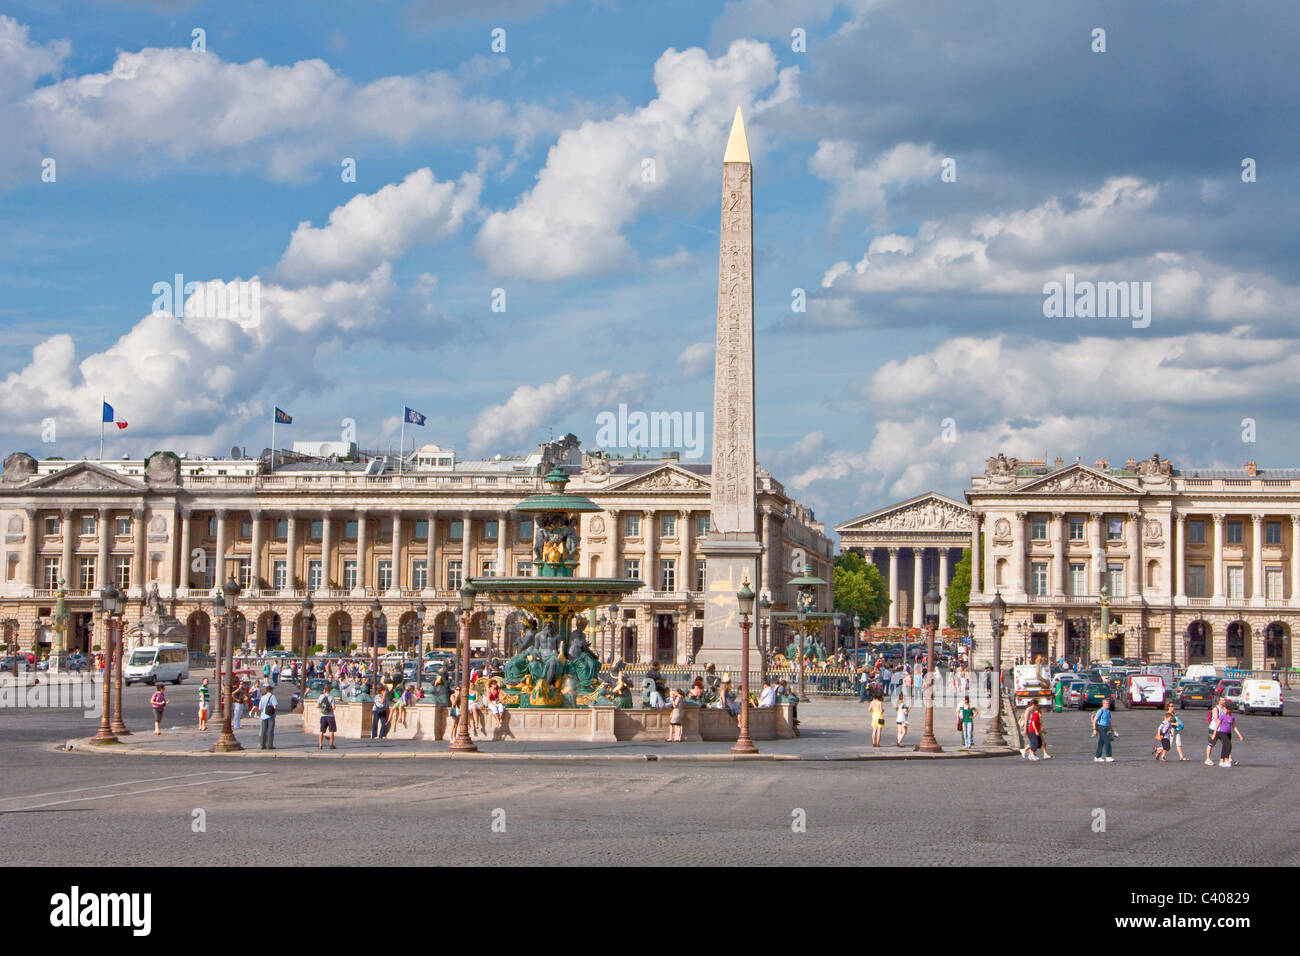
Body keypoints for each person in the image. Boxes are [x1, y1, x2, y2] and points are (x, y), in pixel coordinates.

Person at [1092, 697, 1116, 762]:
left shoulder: (1108, 711)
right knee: (1107, 740)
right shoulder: (1100, 711)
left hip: (1105, 728)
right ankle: (1108, 756)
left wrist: (1112, 730)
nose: (1107, 705)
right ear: (1103, 704)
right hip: (1100, 727)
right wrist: (1094, 729)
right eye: (1106, 703)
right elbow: (1094, 720)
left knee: (1101, 742)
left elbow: (1109, 721)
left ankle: (1097, 757)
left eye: (1108, 703)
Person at [317, 683, 337, 749]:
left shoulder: (320, 697)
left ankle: (320, 745)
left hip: (323, 716)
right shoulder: (332, 697)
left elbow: (317, 706)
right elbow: (334, 707)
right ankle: (331, 744)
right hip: (330, 716)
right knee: (331, 731)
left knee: (321, 731)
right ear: (330, 690)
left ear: (324, 690)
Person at [259, 683, 278, 750]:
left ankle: (262, 744)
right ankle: (270, 745)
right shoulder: (272, 697)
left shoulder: (262, 697)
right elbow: (275, 706)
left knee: (263, 730)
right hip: (270, 715)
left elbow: (259, 708)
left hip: (263, 715)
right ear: (271, 690)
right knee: (270, 730)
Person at [1205, 699, 1223, 765]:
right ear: (1219, 701)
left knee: (1227, 744)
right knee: (1211, 744)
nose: (1224, 701)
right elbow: (1216, 719)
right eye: (1223, 700)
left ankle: (1228, 758)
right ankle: (1208, 759)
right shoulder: (1216, 709)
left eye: (1224, 700)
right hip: (1213, 728)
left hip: (1221, 729)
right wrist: (1223, 723)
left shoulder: (1224, 708)